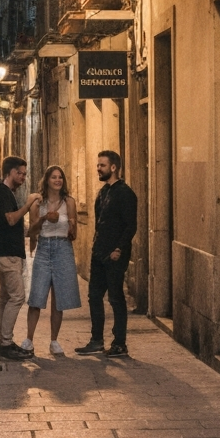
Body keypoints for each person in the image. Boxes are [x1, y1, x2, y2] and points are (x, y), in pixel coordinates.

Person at [75, 150, 138, 358]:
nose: (98, 169)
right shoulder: (103, 193)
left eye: (102, 165)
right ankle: (96, 340)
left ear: (113, 168)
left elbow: (130, 226)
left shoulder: (125, 193)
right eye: (98, 165)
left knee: (116, 298)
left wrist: (119, 249)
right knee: (94, 296)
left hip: (114, 255)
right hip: (99, 253)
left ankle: (120, 343)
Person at [20, 165, 81, 355]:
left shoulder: (69, 202)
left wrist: (71, 227)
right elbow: (32, 231)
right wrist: (45, 218)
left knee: (59, 299)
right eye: (54, 177)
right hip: (44, 248)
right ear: (47, 180)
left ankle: (54, 341)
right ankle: (29, 339)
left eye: (60, 177)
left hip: (63, 248)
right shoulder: (39, 202)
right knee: (37, 296)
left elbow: (74, 234)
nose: (57, 180)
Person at [0, 156, 33, 360]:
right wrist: (28, 205)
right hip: (6, 253)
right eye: (20, 173)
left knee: (6, 298)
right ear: (10, 172)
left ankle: (2, 341)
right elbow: (11, 219)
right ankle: (5, 343)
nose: (23, 177)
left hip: (4, 252)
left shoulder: (6, 193)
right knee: (17, 297)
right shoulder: (2, 193)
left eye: (24, 174)